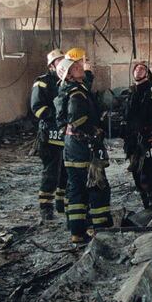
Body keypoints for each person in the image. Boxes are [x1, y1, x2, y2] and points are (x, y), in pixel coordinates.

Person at [56, 51, 111, 244]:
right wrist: (95, 131)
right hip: (83, 147)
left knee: (77, 189)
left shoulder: (71, 90)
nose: (80, 66)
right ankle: (102, 229)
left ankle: (77, 232)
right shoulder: (77, 94)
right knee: (97, 185)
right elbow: (77, 119)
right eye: (75, 67)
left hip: (72, 147)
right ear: (68, 75)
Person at [122, 62, 152, 213]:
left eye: (142, 68)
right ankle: (148, 212)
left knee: (150, 179)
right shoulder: (132, 92)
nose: (138, 70)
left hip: (148, 141)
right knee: (138, 180)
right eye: (136, 68)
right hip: (133, 143)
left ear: (148, 74)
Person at [30, 49, 66, 221]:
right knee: (51, 172)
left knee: (65, 171)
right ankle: (45, 207)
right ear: (52, 65)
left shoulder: (66, 81)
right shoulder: (42, 82)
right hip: (49, 135)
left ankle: (61, 203)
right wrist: (56, 115)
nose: (62, 63)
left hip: (64, 134)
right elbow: (37, 108)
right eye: (59, 61)